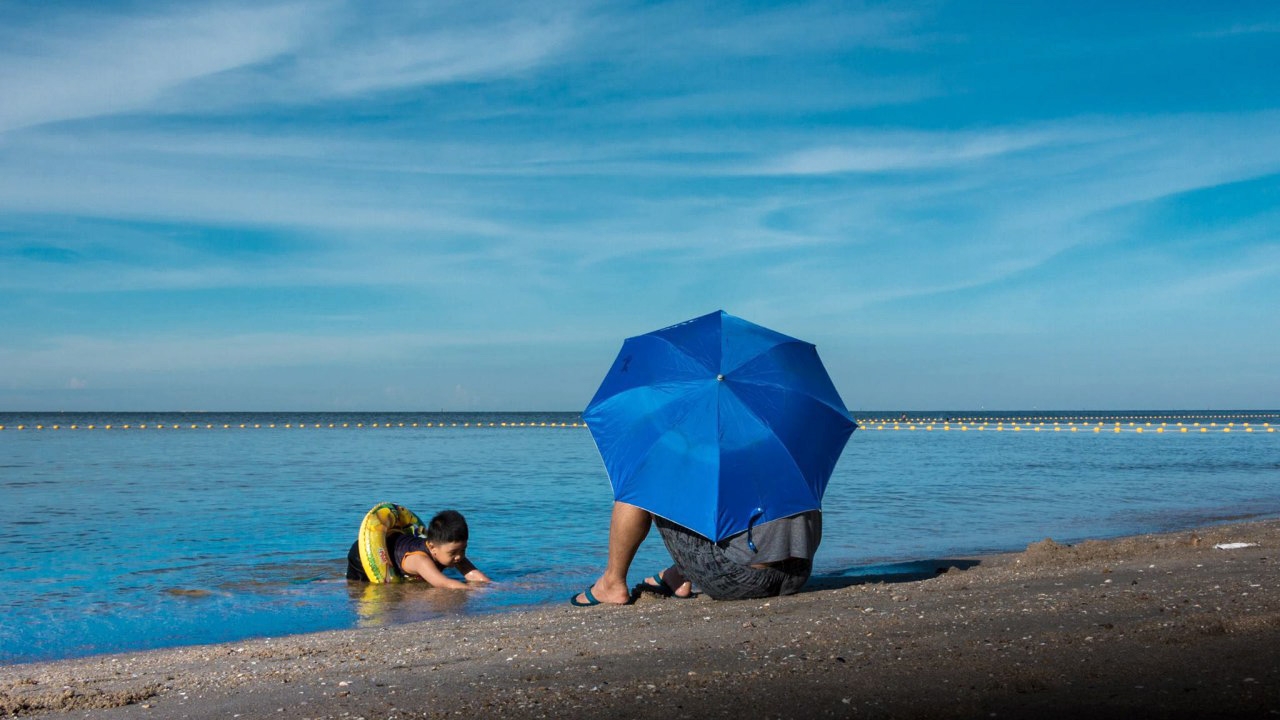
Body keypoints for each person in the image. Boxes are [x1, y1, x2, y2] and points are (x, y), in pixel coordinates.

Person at [571, 502, 820, 606]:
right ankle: (678, 574)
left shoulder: (723, 446)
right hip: (797, 574)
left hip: (743, 582)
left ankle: (612, 583)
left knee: (641, 484)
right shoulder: (788, 442)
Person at [347, 509, 492, 589]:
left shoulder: (449, 552)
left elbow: (473, 575)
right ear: (432, 547)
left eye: (463, 550)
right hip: (363, 554)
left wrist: (494, 587)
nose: (459, 557)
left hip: (398, 540)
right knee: (358, 586)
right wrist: (470, 590)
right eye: (453, 552)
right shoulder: (420, 560)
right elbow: (443, 583)